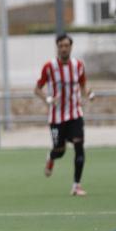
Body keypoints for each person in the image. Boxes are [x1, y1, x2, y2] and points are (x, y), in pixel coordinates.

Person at [34, 33, 94, 196]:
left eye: (66, 45)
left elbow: (83, 86)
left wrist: (88, 93)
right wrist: (48, 99)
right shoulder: (49, 67)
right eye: (61, 46)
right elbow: (37, 89)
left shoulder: (78, 65)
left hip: (75, 114)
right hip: (56, 118)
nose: (64, 49)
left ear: (71, 47)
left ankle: (76, 185)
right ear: (57, 48)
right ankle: (51, 157)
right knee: (60, 151)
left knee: (79, 147)